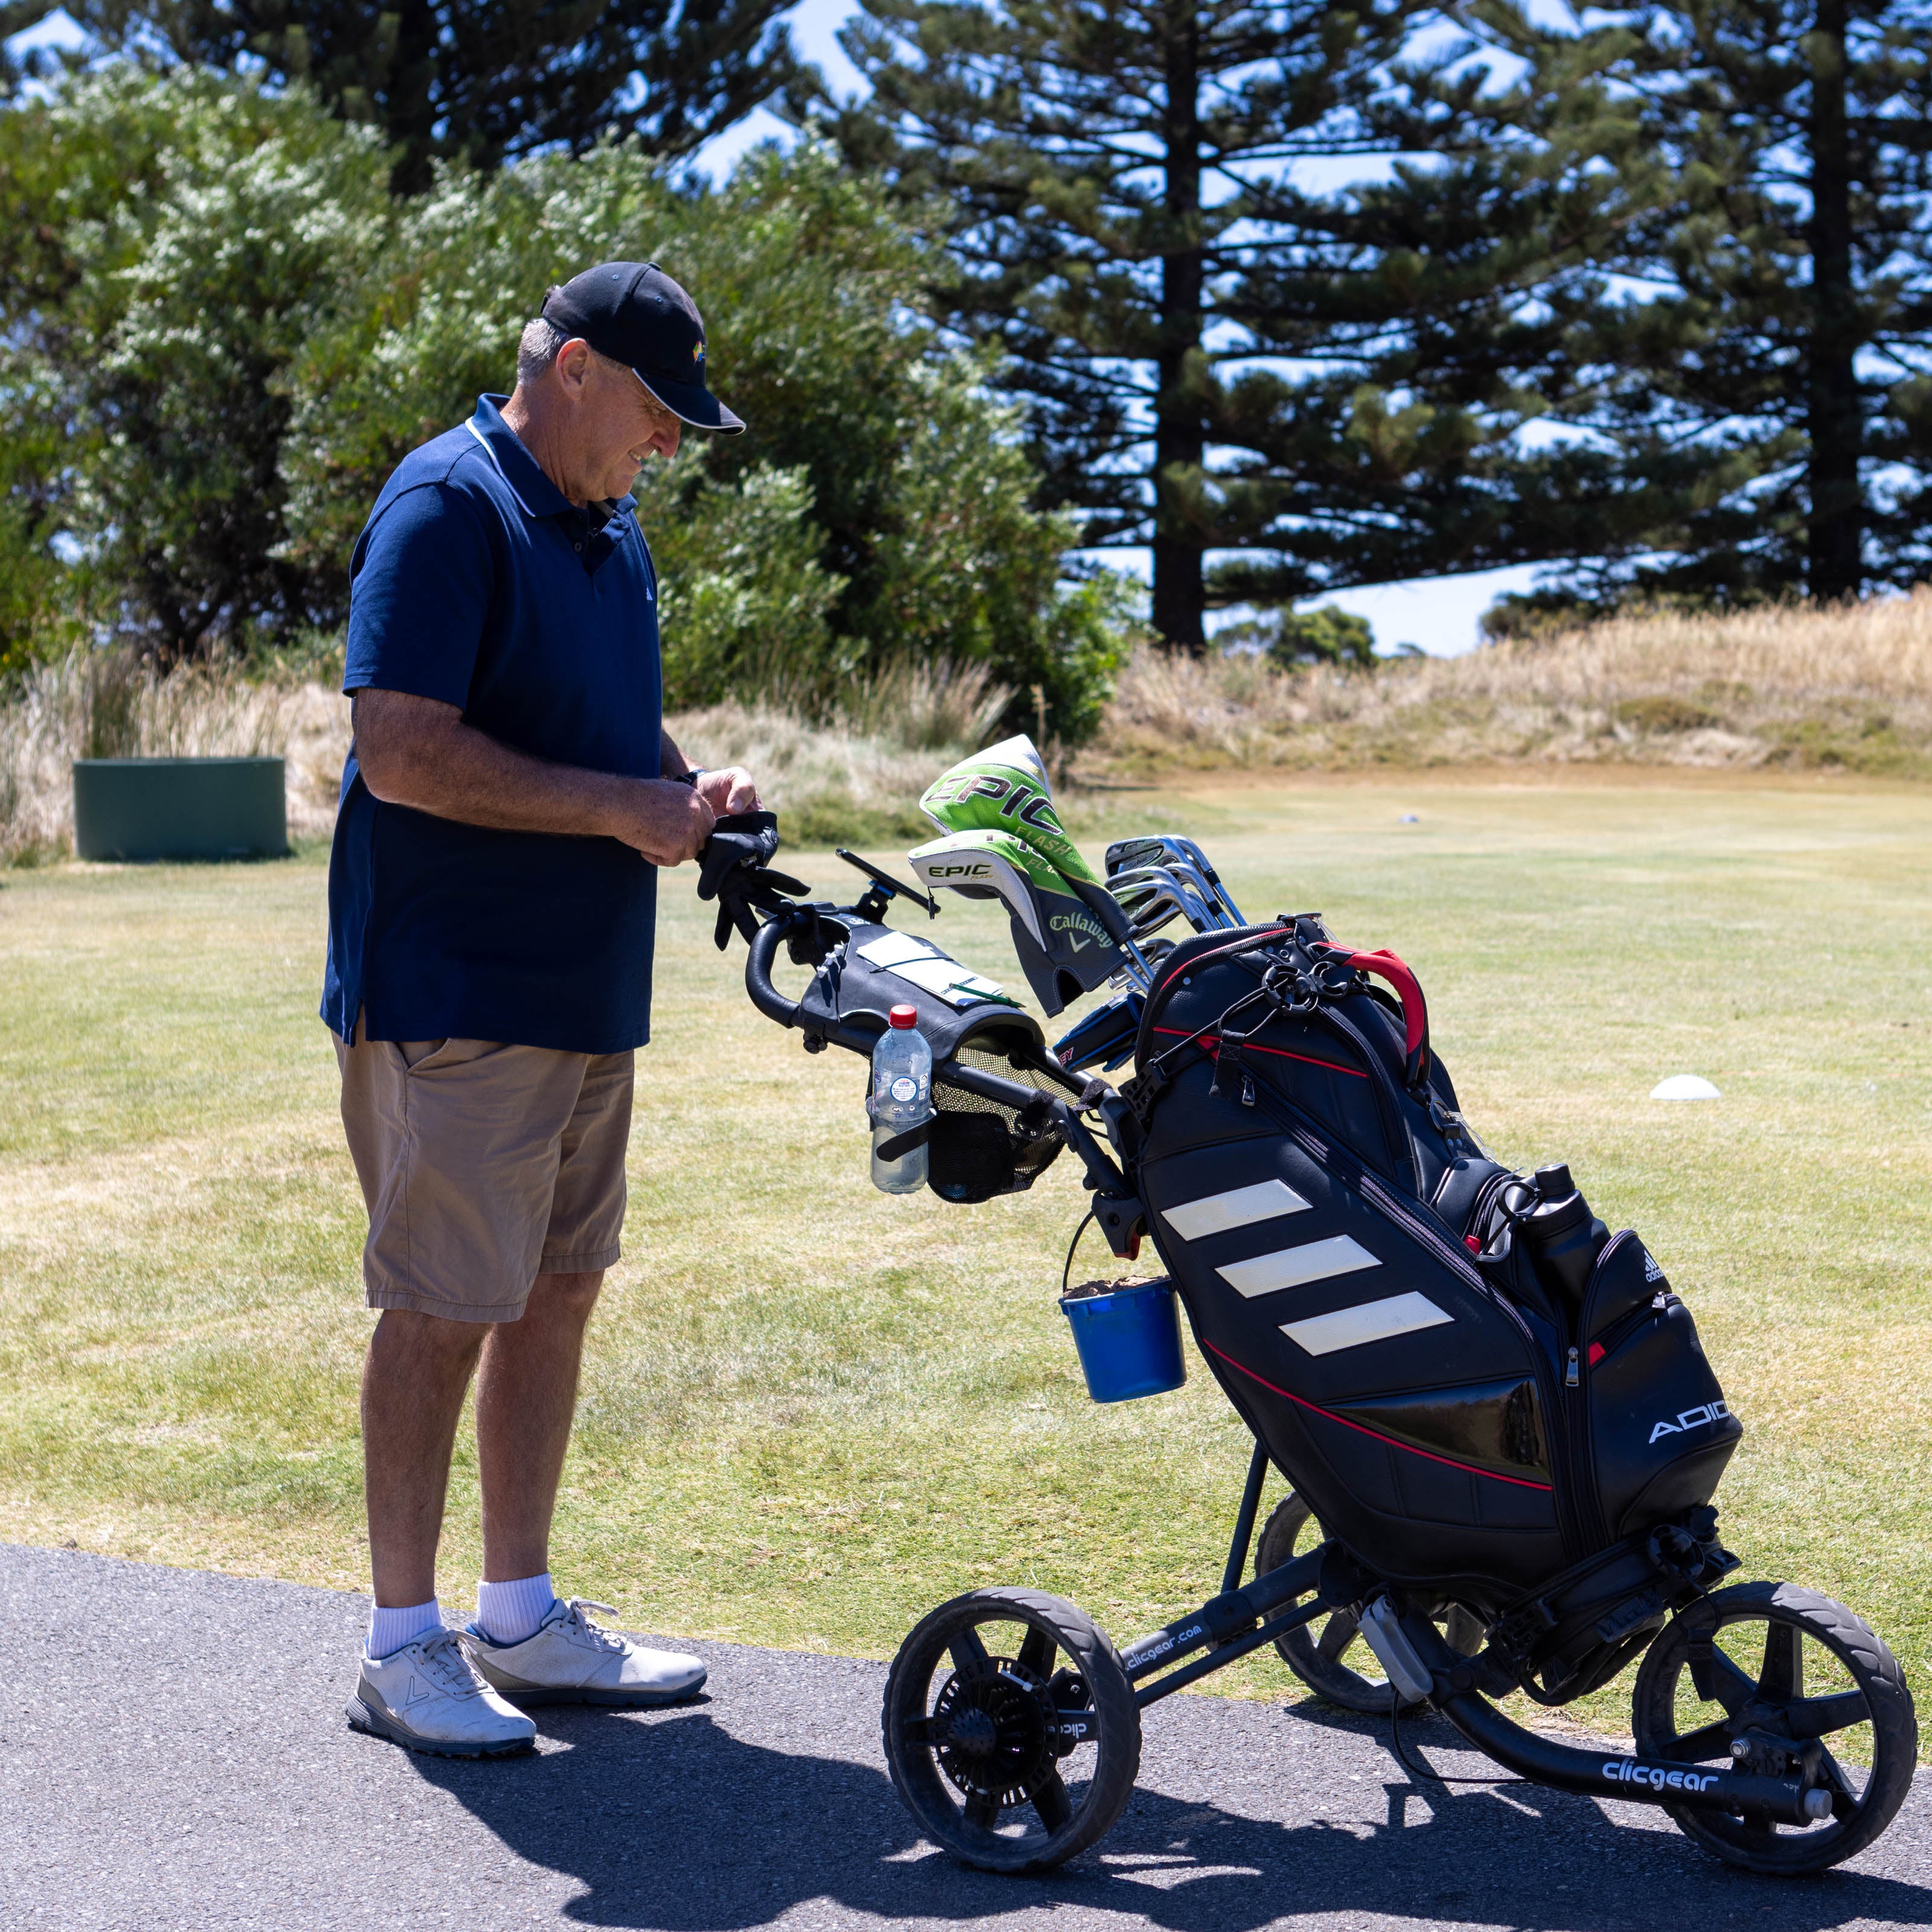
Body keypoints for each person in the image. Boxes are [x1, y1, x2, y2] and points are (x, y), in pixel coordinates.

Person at [321, 262, 758, 1758]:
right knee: (442, 1305)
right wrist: (619, 808)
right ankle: (400, 1645)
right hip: (453, 987)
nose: (672, 445)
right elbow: (400, 751)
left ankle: (521, 1616)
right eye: (656, 410)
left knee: (556, 1289)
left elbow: (604, 729)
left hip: (581, 992)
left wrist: (683, 790)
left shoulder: (605, 526)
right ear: (572, 368)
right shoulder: (448, 504)